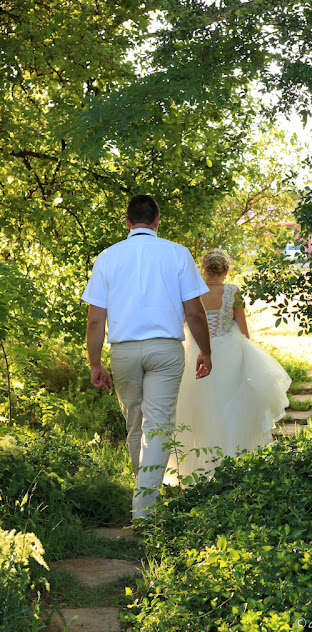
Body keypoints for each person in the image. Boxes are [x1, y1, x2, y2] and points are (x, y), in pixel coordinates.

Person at [81, 195, 212, 519]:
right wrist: (206, 352)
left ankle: (143, 496)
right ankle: (144, 508)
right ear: (157, 220)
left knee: (136, 422)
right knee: (158, 425)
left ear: (127, 222)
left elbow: (96, 320)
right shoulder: (178, 254)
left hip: (123, 351)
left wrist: (95, 364)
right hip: (165, 349)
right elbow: (194, 313)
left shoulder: (107, 258)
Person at [166, 249, 292, 484]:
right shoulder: (233, 291)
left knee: (199, 409)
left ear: (204, 269)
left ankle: (198, 470)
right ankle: (233, 463)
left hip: (197, 353)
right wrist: (248, 351)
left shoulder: (193, 291)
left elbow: (183, 322)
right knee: (231, 407)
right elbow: (243, 328)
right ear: (226, 270)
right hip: (229, 353)